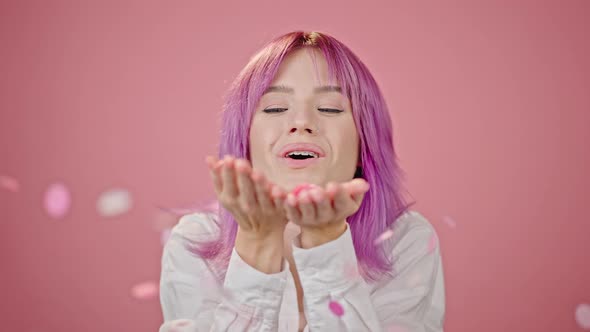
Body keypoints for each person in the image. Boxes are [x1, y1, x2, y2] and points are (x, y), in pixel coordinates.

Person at [159, 31, 445, 332]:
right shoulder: (193, 242)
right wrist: (256, 247)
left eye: (330, 108)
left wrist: (327, 243)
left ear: (364, 145)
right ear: (245, 141)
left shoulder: (405, 241)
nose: (302, 122)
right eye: (275, 108)